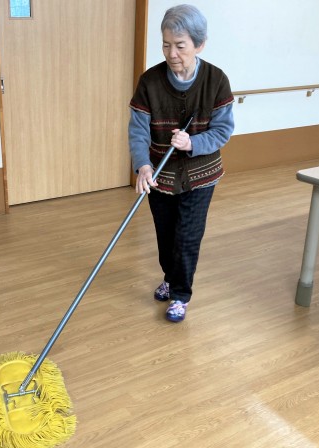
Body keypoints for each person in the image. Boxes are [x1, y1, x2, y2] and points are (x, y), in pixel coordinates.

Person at [128, 4, 234, 322]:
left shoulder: (216, 80)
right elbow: (138, 130)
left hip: (201, 175)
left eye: (180, 46)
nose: (171, 54)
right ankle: (170, 277)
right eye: (166, 45)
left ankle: (180, 295)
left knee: (187, 236)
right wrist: (143, 165)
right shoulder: (149, 82)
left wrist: (192, 143)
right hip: (160, 175)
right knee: (165, 235)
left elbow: (223, 130)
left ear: (199, 45)